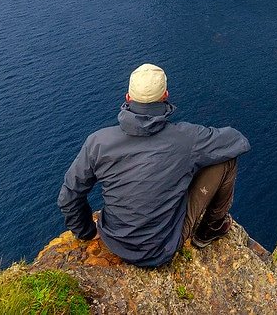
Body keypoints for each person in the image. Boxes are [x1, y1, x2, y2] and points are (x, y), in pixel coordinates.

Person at [57, 63, 250, 267]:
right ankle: (210, 229)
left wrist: (87, 231)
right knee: (224, 159)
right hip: (163, 248)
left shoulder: (98, 142)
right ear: (165, 95)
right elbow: (237, 141)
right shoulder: (187, 138)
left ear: (128, 98)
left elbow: (69, 196)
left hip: (114, 241)